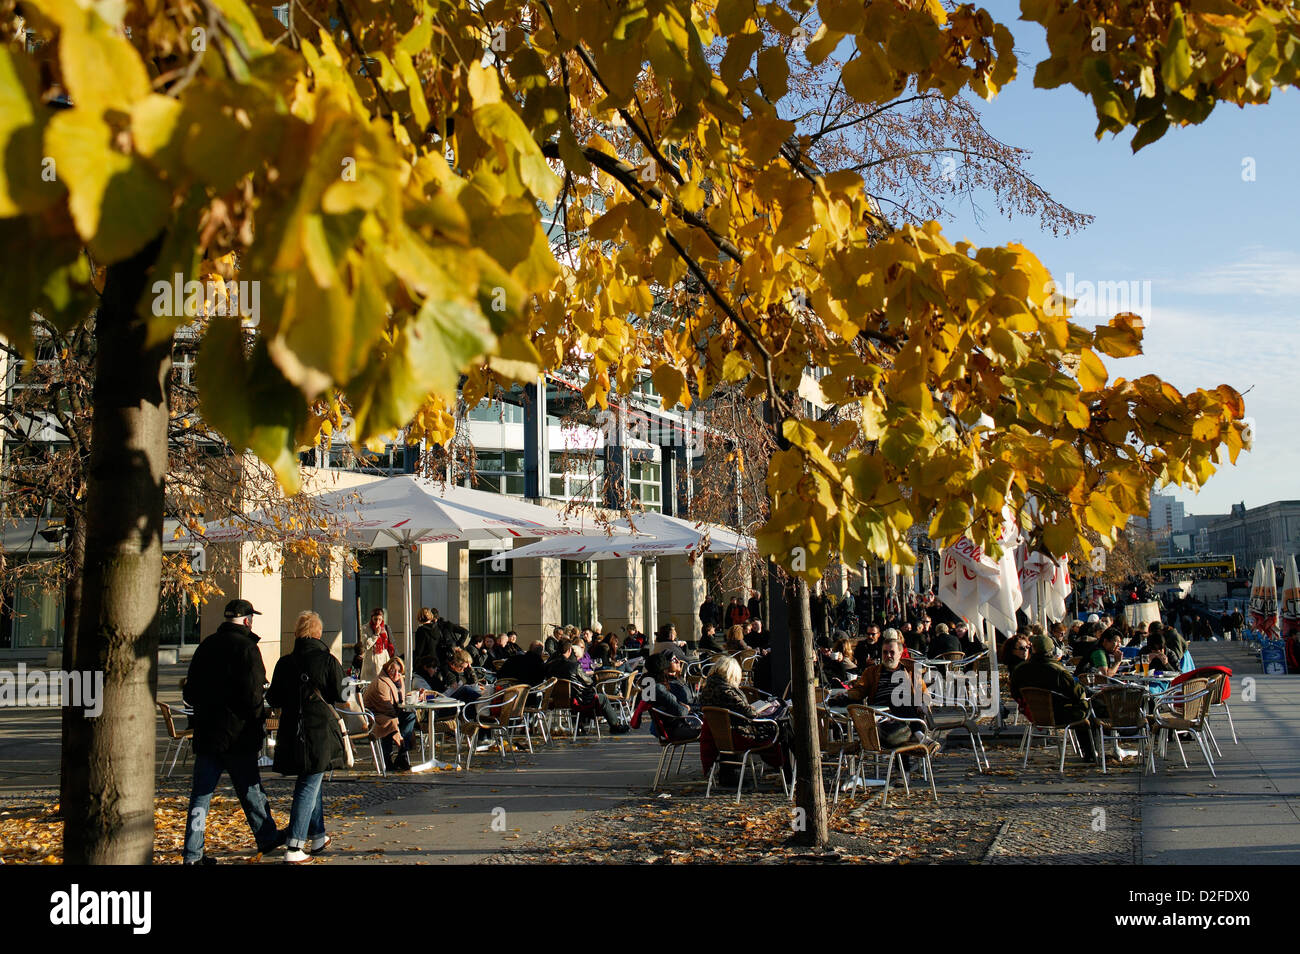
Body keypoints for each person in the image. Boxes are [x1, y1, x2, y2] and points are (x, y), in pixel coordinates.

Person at [181, 599, 283, 864]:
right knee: (250, 789)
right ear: (248, 621)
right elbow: (253, 696)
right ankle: (267, 836)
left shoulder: (206, 646)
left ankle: (193, 854)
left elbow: (190, 692)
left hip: (208, 734)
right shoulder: (248, 648)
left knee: (201, 796)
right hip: (239, 735)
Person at [266, 611, 347, 864]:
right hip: (320, 730)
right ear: (318, 633)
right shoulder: (327, 660)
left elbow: (273, 698)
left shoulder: (285, 662)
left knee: (313, 779)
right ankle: (295, 845)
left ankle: (318, 836)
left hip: (292, 729)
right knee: (309, 783)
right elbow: (342, 694)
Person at [1009, 633, 1094, 761]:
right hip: (1060, 715)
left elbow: (1015, 693)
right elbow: (1076, 693)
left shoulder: (1020, 670)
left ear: (1034, 649)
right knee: (1087, 711)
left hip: (1034, 715)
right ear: (1051, 650)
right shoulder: (1057, 671)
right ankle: (1091, 753)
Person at [544, 638, 630, 732]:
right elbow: (589, 682)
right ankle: (615, 726)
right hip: (577, 701)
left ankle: (579, 726)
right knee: (602, 698)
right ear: (569, 650)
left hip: (555, 699)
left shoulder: (549, 665)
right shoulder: (574, 666)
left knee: (579, 694)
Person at [364, 658, 419, 771]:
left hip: (392, 713)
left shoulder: (399, 681)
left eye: (399, 671)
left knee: (411, 716)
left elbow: (401, 701)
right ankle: (389, 758)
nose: (396, 674)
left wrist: (417, 697)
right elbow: (386, 707)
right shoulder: (381, 682)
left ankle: (402, 754)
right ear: (387, 669)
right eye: (393, 670)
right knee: (392, 723)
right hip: (376, 715)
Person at [359, 607, 395, 681]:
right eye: (375, 619)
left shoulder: (386, 628)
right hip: (372, 661)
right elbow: (366, 645)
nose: (377, 622)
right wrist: (375, 634)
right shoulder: (366, 628)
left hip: (384, 659)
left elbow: (391, 643)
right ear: (372, 618)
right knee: (371, 684)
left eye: (380, 619)